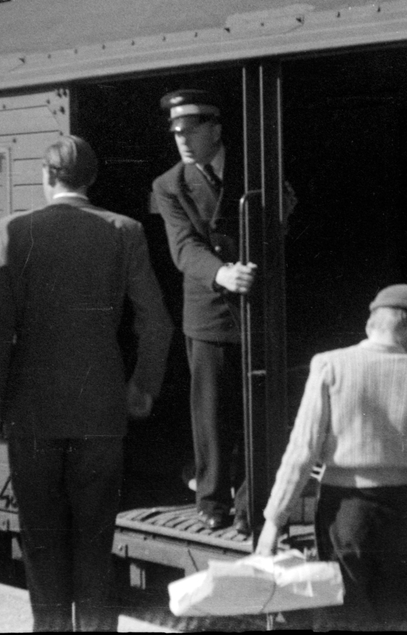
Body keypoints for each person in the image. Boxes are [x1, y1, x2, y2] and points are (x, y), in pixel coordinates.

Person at [0, 135, 172, 632]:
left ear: (47, 176)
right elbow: (156, 322)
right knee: (95, 539)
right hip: (100, 406)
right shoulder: (125, 230)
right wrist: (142, 386)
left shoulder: (12, 230)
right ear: (92, 179)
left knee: (41, 539)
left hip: (31, 409)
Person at [255, 283, 407, 631]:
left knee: (344, 616)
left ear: (370, 325)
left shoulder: (329, 365)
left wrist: (274, 521)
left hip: (343, 513)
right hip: (400, 511)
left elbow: (301, 451)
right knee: (401, 619)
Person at [151, 89, 257, 534]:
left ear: (215, 130)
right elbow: (184, 247)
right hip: (210, 311)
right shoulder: (169, 184)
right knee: (211, 413)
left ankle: (253, 504)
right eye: (177, 133)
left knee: (257, 411)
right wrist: (222, 274)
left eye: (192, 131)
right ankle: (212, 500)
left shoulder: (256, 169)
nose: (183, 140)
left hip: (257, 306)